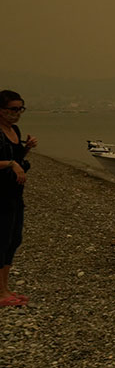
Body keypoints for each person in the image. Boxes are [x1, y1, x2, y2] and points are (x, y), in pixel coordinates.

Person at [1, 90, 37, 306]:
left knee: (14, 240)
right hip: (1, 194)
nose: (17, 113)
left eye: (20, 109)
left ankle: (5, 288)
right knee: (2, 239)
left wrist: (26, 150)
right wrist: (11, 164)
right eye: (12, 109)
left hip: (15, 192)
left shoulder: (14, 130)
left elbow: (16, 158)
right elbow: (9, 161)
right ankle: (0, 292)